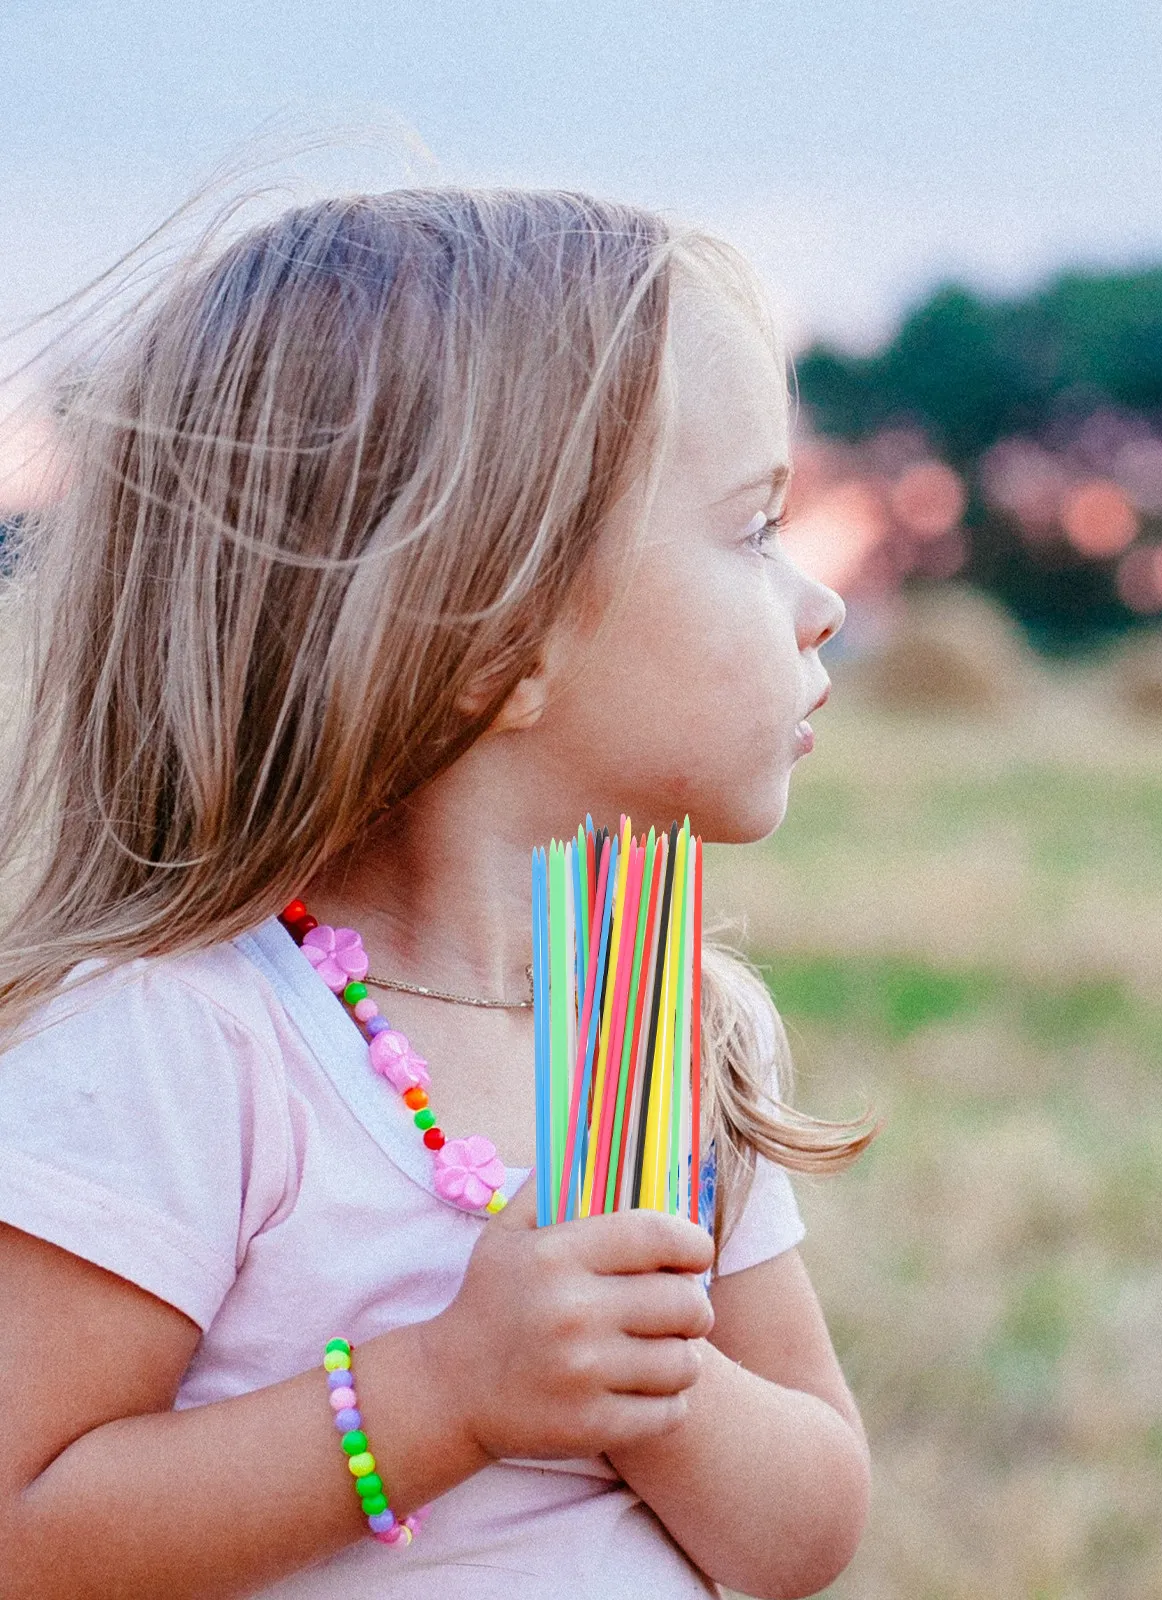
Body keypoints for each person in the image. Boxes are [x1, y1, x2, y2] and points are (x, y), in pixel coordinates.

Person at [0, 188, 875, 1598]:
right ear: (490, 634)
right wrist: (445, 1396)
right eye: (751, 530)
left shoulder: (678, 1035)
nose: (820, 602)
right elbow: (25, 1529)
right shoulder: (181, 1039)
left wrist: (650, 1388)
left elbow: (805, 1531)